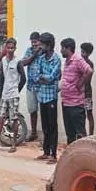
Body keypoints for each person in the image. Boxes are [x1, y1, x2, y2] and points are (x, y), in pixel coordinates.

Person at [0, 38, 25, 153]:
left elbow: (23, 78)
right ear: (5, 48)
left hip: (13, 95)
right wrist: (1, 92)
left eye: (12, 48)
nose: (10, 50)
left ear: (15, 48)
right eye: (8, 47)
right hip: (4, 95)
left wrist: (17, 90)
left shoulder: (18, 62)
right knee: (0, 118)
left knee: (14, 119)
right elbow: (1, 77)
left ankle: (13, 144)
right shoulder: (3, 60)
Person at [34, 32, 61, 164]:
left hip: (51, 97)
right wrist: (44, 78)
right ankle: (45, 152)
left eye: (42, 44)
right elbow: (36, 76)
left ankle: (53, 154)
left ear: (49, 45)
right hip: (42, 97)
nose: (40, 46)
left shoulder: (56, 59)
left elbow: (51, 78)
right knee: (44, 125)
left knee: (52, 126)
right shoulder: (41, 58)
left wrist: (43, 78)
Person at [60, 38, 93, 144]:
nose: (61, 50)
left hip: (76, 104)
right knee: (70, 134)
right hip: (66, 103)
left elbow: (89, 71)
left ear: (68, 48)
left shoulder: (77, 60)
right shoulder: (67, 61)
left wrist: (81, 83)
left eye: (62, 48)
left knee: (80, 134)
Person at [20, 32, 42, 141]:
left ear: (40, 41)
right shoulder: (29, 51)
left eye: (36, 42)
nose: (34, 44)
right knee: (32, 110)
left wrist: (39, 52)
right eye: (32, 42)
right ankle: (33, 133)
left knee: (44, 111)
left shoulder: (44, 51)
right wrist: (34, 54)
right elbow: (23, 63)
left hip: (42, 87)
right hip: (31, 86)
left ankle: (46, 134)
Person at [80, 42, 95, 135]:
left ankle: (91, 134)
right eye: (82, 52)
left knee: (89, 114)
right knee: (81, 115)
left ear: (89, 53)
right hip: (82, 92)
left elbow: (87, 80)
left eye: (84, 52)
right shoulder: (80, 62)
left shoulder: (89, 64)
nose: (82, 54)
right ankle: (83, 134)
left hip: (86, 93)